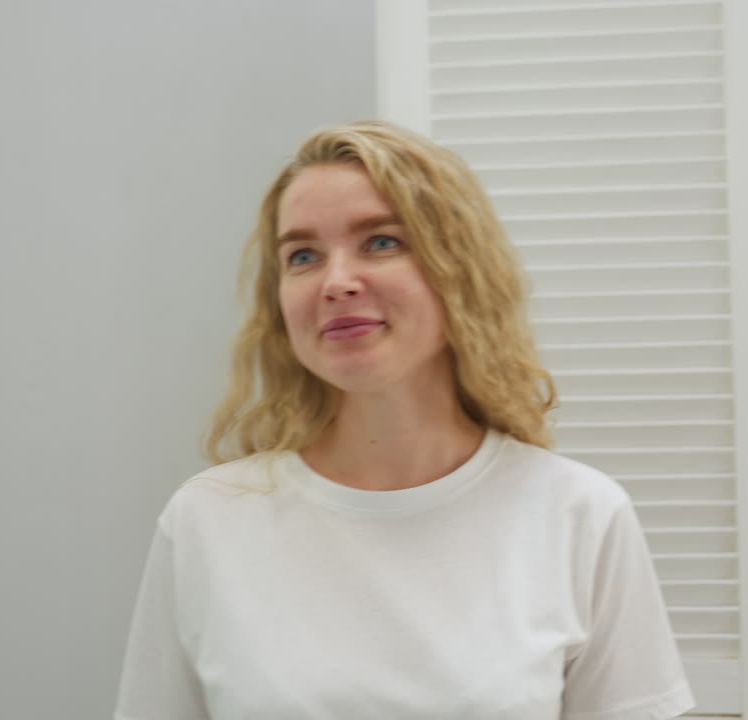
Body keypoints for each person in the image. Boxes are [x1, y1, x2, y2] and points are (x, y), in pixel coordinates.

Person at [113, 120, 695, 720]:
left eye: (381, 242)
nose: (337, 282)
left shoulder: (580, 514)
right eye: (303, 256)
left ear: (461, 272)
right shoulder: (208, 520)